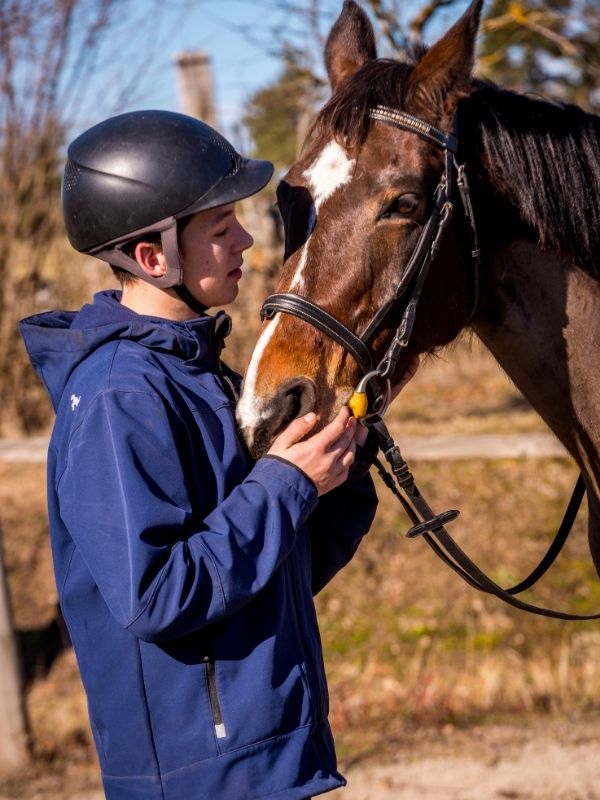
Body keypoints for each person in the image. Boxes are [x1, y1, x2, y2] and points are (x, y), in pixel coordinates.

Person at [19, 110, 380, 800]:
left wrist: (339, 470)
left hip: (272, 761)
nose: (245, 239)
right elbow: (158, 594)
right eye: (221, 229)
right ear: (154, 257)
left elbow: (272, 576)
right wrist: (283, 486)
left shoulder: (209, 377)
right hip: (206, 780)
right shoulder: (116, 397)